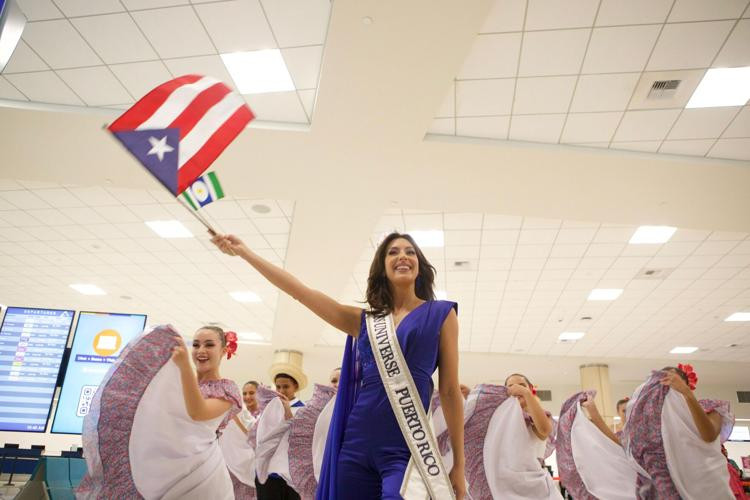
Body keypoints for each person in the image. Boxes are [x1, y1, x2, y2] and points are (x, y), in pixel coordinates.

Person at [211, 231, 465, 499]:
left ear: (419, 265)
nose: (402, 256)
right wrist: (245, 252)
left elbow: (449, 392)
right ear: (382, 267)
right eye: (393, 252)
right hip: (356, 446)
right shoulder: (364, 320)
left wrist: (458, 465)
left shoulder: (441, 314)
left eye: (410, 251)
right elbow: (301, 293)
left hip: (408, 449)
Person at [78, 325, 241, 499]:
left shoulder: (227, 389)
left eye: (209, 345)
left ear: (223, 351)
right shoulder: (179, 383)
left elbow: (197, 412)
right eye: (195, 345)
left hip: (201, 475)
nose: (201, 350)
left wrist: (185, 366)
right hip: (165, 469)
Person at [622, 364, 735, 499]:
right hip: (673, 485)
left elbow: (709, 435)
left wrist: (686, 393)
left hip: (705, 485)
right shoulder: (655, 429)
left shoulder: (708, 407)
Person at [463, 374, 561, 499]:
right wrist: (471, 399)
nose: (517, 389)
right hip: (505, 488)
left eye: (521, 385)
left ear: (530, 388)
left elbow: (544, 429)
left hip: (535, 488)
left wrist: (526, 393)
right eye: (511, 386)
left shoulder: (538, 416)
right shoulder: (502, 423)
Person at [556, 391, 638, 500]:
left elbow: (620, 445)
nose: (627, 413)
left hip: (632, 478)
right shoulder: (613, 431)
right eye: (624, 411)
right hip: (614, 477)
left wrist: (594, 412)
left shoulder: (638, 432)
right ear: (618, 412)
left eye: (630, 410)